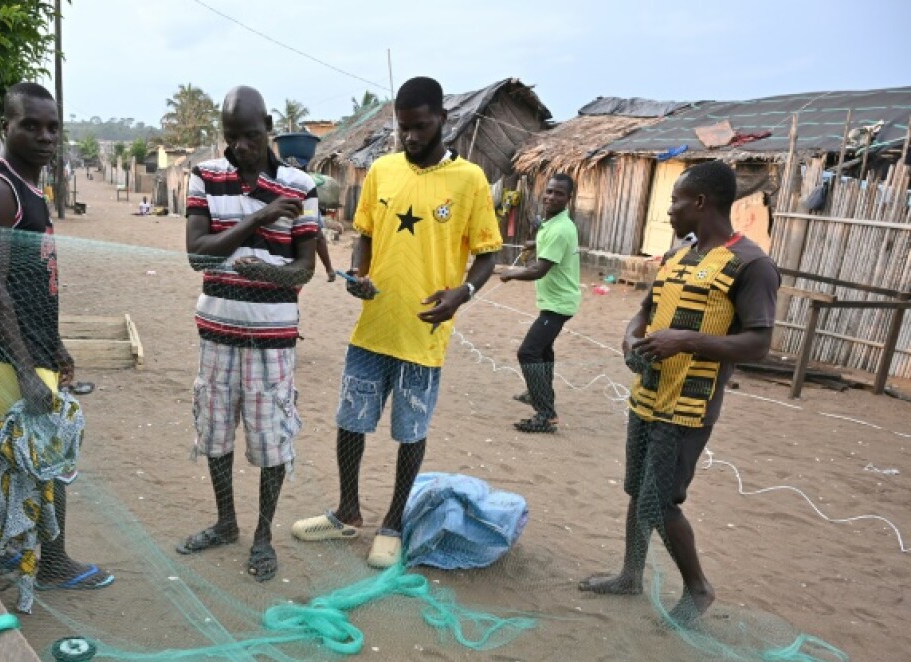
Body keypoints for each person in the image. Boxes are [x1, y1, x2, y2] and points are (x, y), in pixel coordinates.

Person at [291, 76, 502, 568]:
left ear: (443, 120)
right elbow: (363, 234)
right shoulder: (382, 171)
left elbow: (488, 254)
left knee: (409, 431)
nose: (410, 137)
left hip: (424, 334)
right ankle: (347, 513)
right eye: (403, 128)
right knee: (350, 422)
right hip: (373, 328)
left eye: (420, 127)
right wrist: (358, 274)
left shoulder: (469, 181)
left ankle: (392, 522)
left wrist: (462, 293)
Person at [579, 161, 778, 620]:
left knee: (662, 501)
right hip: (647, 394)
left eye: (675, 201)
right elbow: (645, 313)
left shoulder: (750, 264)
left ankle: (698, 588)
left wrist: (686, 340)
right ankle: (630, 574)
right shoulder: (675, 258)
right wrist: (632, 339)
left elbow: (759, 343)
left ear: (701, 203)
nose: (669, 210)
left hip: (689, 404)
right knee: (638, 490)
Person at [0, 82, 113, 590]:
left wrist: (55, 344)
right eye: (31, 125)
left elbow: (33, 283)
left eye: (52, 127)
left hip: (28, 345)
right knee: (46, 450)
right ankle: (52, 562)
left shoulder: (30, 188)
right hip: (4, 352)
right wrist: (27, 369)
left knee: (6, 447)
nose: (45, 136)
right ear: (6, 127)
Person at [177, 86, 320, 582]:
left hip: (272, 340)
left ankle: (262, 534)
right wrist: (258, 217)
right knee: (215, 433)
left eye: (251, 135)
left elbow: (303, 271)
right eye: (231, 137)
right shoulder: (204, 177)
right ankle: (225, 521)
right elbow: (198, 253)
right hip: (216, 334)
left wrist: (270, 276)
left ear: (270, 126)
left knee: (270, 438)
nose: (240, 147)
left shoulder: (301, 185)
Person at [497, 173, 581, 433]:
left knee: (528, 352)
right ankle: (539, 393)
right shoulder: (553, 224)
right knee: (543, 351)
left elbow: (538, 271)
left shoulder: (559, 229)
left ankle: (546, 414)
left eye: (559, 194)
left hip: (559, 304)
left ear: (569, 198)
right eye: (549, 191)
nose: (551, 197)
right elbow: (548, 242)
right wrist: (536, 243)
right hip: (556, 300)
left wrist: (510, 273)